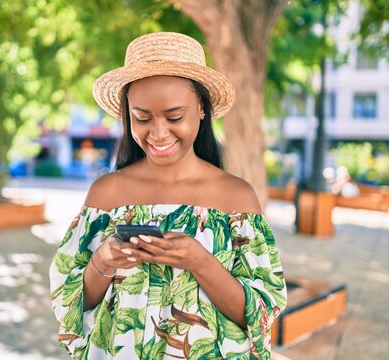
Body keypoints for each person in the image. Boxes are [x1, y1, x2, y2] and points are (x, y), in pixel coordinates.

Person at [50, 32, 287, 360]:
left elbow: (260, 315)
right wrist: (102, 262)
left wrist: (200, 262)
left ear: (202, 108)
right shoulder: (106, 193)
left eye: (174, 117)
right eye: (141, 118)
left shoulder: (236, 198)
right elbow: (71, 305)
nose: (158, 132)